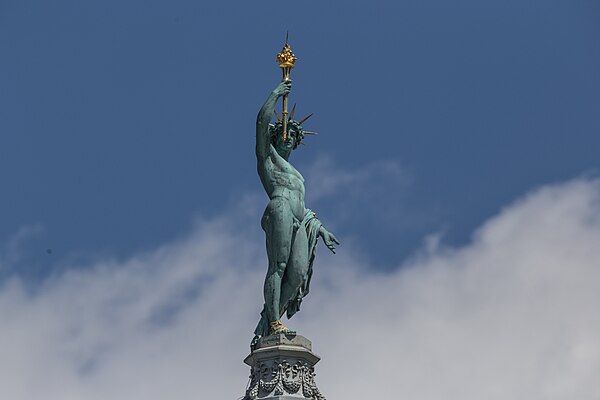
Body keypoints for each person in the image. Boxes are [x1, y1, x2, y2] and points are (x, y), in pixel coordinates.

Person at [252, 80, 339, 343]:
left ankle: (268, 319)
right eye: (286, 136)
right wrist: (275, 94)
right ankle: (275, 323)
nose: (289, 142)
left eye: (294, 140)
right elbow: (260, 124)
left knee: (298, 273)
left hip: (301, 219)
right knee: (278, 266)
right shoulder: (267, 158)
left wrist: (320, 228)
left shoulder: (297, 174)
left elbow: (303, 204)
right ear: (276, 137)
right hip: (279, 208)